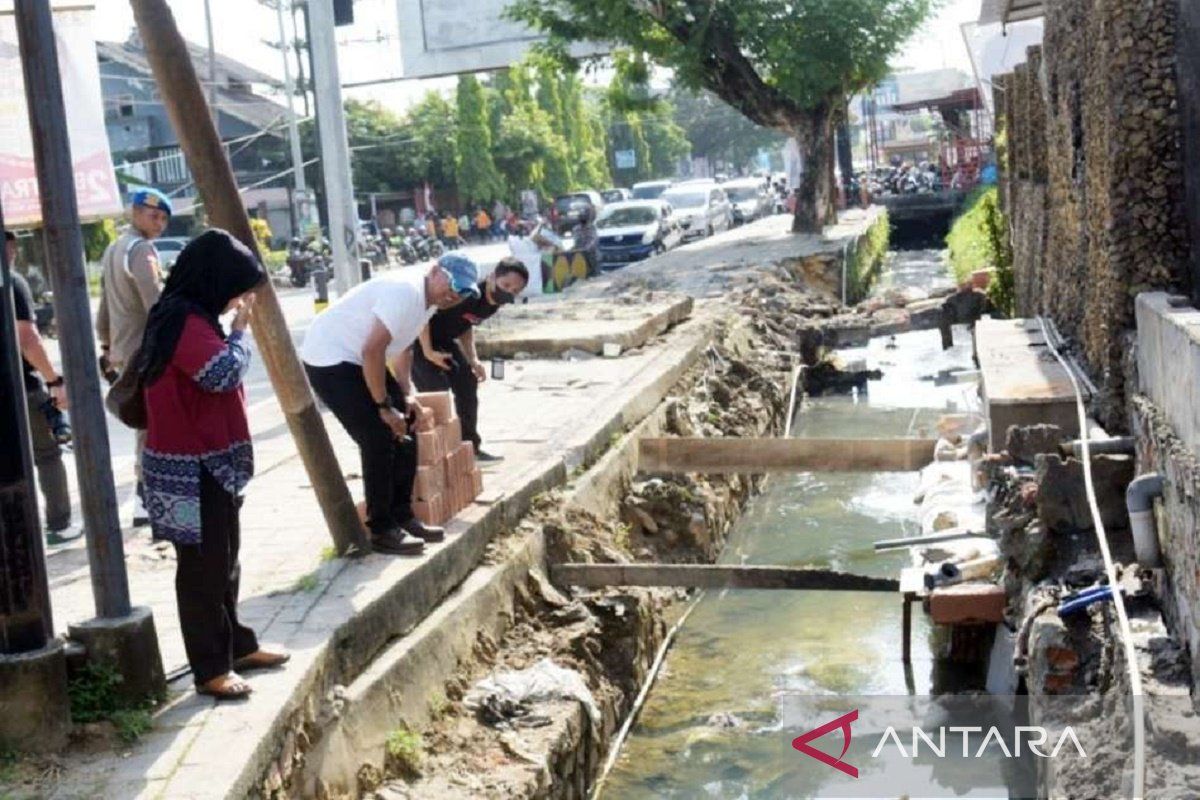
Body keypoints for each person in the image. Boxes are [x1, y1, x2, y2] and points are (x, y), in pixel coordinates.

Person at [137, 229, 287, 699]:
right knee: (202, 569)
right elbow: (219, 373)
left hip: (207, 464)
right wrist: (241, 334)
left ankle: (236, 646)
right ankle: (209, 668)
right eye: (238, 290)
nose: (239, 300)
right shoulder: (182, 320)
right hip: (188, 469)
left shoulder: (191, 316)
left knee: (224, 559)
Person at [301, 255, 480, 555]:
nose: (454, 296)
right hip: (331, 358)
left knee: (407, 423)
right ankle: (381, 529)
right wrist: (384, 406)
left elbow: (403, 346)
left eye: (461, 292)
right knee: (378, 437)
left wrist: (405, 395)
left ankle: (403, 516)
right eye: (451, 285)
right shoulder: (406, 292)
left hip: (359, 356)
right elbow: (373, 350)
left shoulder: (430, 301)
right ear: (435, 271)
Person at [96, 187, 171, 526]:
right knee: (151, 424)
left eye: (164, 219)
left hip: (126, 351)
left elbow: (103, 308)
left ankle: (147, 495)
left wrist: (107, 346)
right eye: (153, 216)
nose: (159, 224)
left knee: (145, 421)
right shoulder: (141, 250)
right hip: (146, 350)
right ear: (135, 213)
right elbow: (156, 305)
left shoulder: (114, 249)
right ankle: (144, 499)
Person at [412, 258, 529, 462]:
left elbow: (466, 325)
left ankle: (469, 447)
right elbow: (424, 312)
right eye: (506, 285)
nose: (509, 292)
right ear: (493, 277)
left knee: (467, 383)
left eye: (515, 290)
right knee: (436, 395)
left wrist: (473, 359)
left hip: (445, 341)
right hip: (419, 341)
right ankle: (437, 454)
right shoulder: (468, 293)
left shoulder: (493, 303)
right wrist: (429, 351)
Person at [6, 231, 76, 544]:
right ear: (10, 249)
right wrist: (54, 380)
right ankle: (59, 525)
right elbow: (28, 339)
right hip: (19, 386)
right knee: (47, 455)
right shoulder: (12, 281)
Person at [572, 206, 599, 274]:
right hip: (580, 256)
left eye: (584, 216)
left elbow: (594, 241)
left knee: (594, 274)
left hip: (591, 256)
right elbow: (576, 242)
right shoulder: (576, 229)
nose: (582, 218)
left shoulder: (591, 228)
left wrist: (586, 249)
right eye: (581, 216)